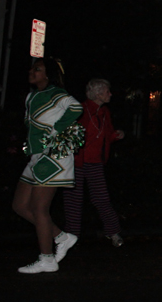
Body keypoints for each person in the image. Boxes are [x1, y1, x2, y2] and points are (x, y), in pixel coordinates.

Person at [13, 57, 83, 273]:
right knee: (20, 206)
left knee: (39, 209)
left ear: (47, 74)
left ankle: (47, 259)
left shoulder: (57, 94)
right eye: (32, 68)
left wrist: (56, 130)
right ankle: (62, 237)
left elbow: (75, 107)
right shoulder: (31, 96)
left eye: (37, 69)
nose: (31, 71)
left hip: (53, 156)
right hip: (36, 156)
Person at [63, 79, 125, 247]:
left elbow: (106, 135)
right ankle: (71, 237)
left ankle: (113, 232)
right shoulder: (81, 109)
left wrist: (116, 135)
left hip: (95, 162)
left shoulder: (104, 112)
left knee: (101, 198)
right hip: (77, 162)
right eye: (106, 91)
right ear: (97, 93)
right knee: (73, 200)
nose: (110, 94)